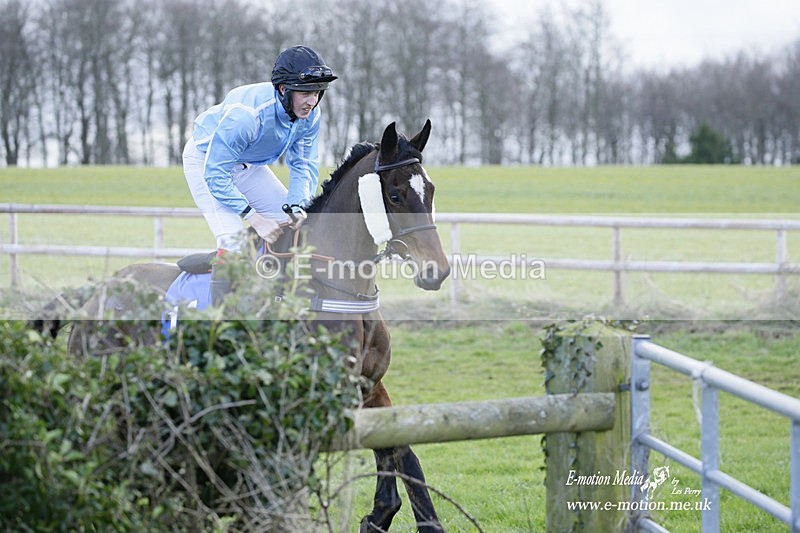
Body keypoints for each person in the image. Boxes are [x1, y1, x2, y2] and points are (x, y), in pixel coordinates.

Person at [182, 45, 337, 304]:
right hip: (206, 162)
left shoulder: (310, 115)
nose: (313, 101)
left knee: (293, 228)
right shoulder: (246, 117)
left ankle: (276, 301)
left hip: (248, 163)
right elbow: (216, 175)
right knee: (233, 241)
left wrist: (298, 206)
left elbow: (304, 164)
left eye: (318, 93)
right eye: (306, 93)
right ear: (283, 89)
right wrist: (254, 218)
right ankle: (221, 322)